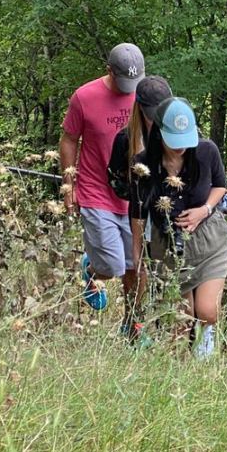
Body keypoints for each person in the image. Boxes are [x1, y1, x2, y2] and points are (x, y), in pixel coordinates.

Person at [130, 98, 227, 358]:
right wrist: (138, 252)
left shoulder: (207, 151)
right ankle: (181, 370)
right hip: (170, 245)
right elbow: (138, 212)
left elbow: (220, 185)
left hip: (209, 240)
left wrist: (204, 209)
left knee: (207, 311)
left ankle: (206, 353)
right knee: (180, 318)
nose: (182, 147)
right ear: (160, 133)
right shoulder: (143, 165)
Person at [60, 43, 145, 313]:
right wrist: (68, 184)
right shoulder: (85, 97)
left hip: (133, 196)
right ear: (108, 70)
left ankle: (132, 326)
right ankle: (93, 267)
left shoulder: (145, 96)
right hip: (96, 190)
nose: (130, 88)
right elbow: (69, 139)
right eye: (124, 81)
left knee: (134, 265)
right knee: (111, 265)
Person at [107, 74, 173, 342]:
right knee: (137, 267)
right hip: (134, 210)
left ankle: (156, 326)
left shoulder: (178, 133)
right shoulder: (125, 140)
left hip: (164, 212)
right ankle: (133, 321)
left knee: (161, 267)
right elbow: (116, 182)